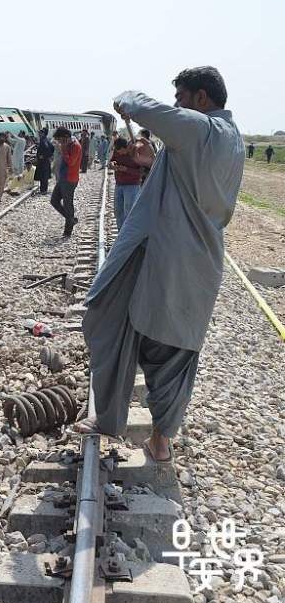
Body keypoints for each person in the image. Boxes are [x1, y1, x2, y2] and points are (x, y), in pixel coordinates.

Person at [76, 66, 244, 465]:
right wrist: (156, 162)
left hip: (166, 256)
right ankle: (160, 441)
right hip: (201, 264)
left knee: (111, 320)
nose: (177, 106)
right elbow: (193, 187)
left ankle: (109, 418)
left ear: (201, 99)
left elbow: (144, 107)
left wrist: (127, 98)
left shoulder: (201, 128)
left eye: (181, 98)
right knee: (174, 352)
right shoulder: (233, 140)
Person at [50, 127, 81, 236]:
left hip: (70, 179)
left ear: (66, 138)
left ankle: (68, 231)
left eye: (60, 140)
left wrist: (63, 149)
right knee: (54, 200)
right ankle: (71, 219)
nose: (59, 142)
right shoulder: (68, 144)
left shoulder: (75, 146)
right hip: (63, 178)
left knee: (68, 204)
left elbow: (71, 162)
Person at [108, 137, 144, 230]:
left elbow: (142, 171)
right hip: (119, 184)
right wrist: (112, 164)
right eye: (117, 151)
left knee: (129, 212)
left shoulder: (136, 152)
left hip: (132, 186)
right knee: (118, 211)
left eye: (120, 151)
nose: (119, 153)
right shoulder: (117, 150)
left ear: (126, 148)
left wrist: (127, 170)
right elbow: (112, 160)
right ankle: (121, 234)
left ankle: (128, 235)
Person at [33, 127, 54, 194]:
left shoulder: (43, 140)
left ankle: (43, 190)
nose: (39, 134)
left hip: (43, 161)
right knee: (43, 175)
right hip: (44, 160)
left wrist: (44, 156)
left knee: (43, 175)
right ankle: (43, 189)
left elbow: (48, 148)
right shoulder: (45, 140)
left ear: (44, 133)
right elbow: (52, 148)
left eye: (41, 132)